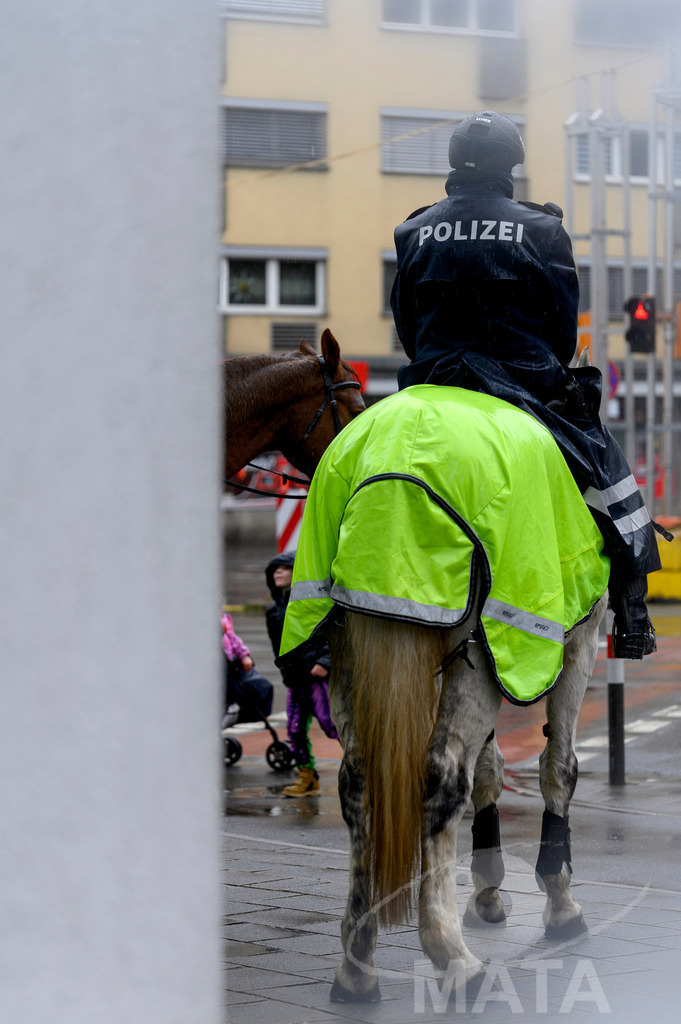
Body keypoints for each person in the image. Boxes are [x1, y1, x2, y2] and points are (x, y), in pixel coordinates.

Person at [390, 109, 662, 660]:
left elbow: (406, 327)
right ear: (509, 165)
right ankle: (632, 618)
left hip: (431, 379)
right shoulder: (541, 229)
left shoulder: (412, 229)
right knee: (613, 483)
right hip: (523, 383)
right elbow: (563, 332)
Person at [265, 551, 339, 797]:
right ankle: (307, 778)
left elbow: (332, 631)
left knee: (331, 725)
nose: (278, 572)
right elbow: (280, 647)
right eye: (275, 569)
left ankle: (366, 772)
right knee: (295, 729)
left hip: (316, 676)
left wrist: (325, 661)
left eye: (284, 568)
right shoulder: (272, 610)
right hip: (295, 679)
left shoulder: (311, 602)